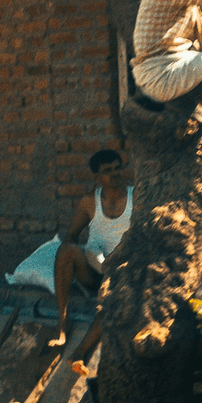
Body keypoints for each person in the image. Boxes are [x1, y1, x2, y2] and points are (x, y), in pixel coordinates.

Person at [49, 150, 132, 349]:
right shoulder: (89, 201)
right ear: (97, 177)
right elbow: (72, 236)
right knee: (66, 249)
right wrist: (83, 255)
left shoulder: (135, 196)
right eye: (107, 170)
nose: (114, 173)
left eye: (117, 168)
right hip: (94, 272)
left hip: (123, 272)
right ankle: (62, 322)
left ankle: (81, 351)